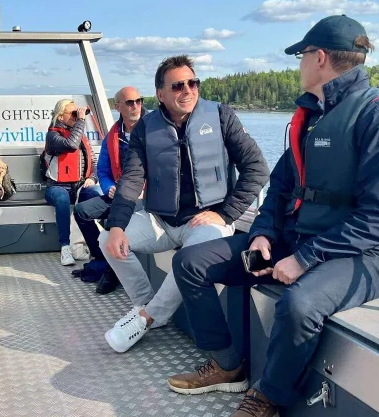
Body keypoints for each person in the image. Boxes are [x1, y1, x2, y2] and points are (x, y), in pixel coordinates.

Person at [167, 15, 379, 417]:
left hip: (364, 257)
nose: (298, 63)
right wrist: (264, 234)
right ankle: (226, 365)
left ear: (319, 58)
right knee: (190, 263)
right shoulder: (312, 117)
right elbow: (281, 186)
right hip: (296, 239)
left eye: (302, 55)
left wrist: (305, 259)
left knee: (298, 305)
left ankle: (267, 398)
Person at [100, 55, 269, 353]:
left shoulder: (221, 117)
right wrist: (116, 226)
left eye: (193, 83)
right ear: (161, 95)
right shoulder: (145, 129)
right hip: (162, 221)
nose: (187, 90)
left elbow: (257, 169)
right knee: (106, 239)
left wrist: (226, 214)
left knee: (190, 257)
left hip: (206, 220)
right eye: (178, 86)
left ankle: (148, 318)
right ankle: (144, 303)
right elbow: (131, 180)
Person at [72, 86, 147, 294]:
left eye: (139, 101)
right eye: (130, 103)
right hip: (121, 194)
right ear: (118, 107)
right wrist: (109, 187)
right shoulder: (113, 136)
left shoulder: (156, 129)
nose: (136, 106)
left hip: (148, 197)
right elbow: (103, 171)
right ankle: (104, 260)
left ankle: (110, 273)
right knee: (81, 211)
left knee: (115, 218)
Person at [43, 99, 103, 266]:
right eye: (73, 114)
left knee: (95, 195)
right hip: (55, 187)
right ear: (61, 117)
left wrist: (92, 178)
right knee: (62, 199)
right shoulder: (52, 136)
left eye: (78, 113)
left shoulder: (81, 137)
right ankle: (65, 248)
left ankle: (96, 244)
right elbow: (70, 145)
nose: (77, 117)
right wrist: (82, 120)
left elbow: (95, 163)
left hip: (78, 186)